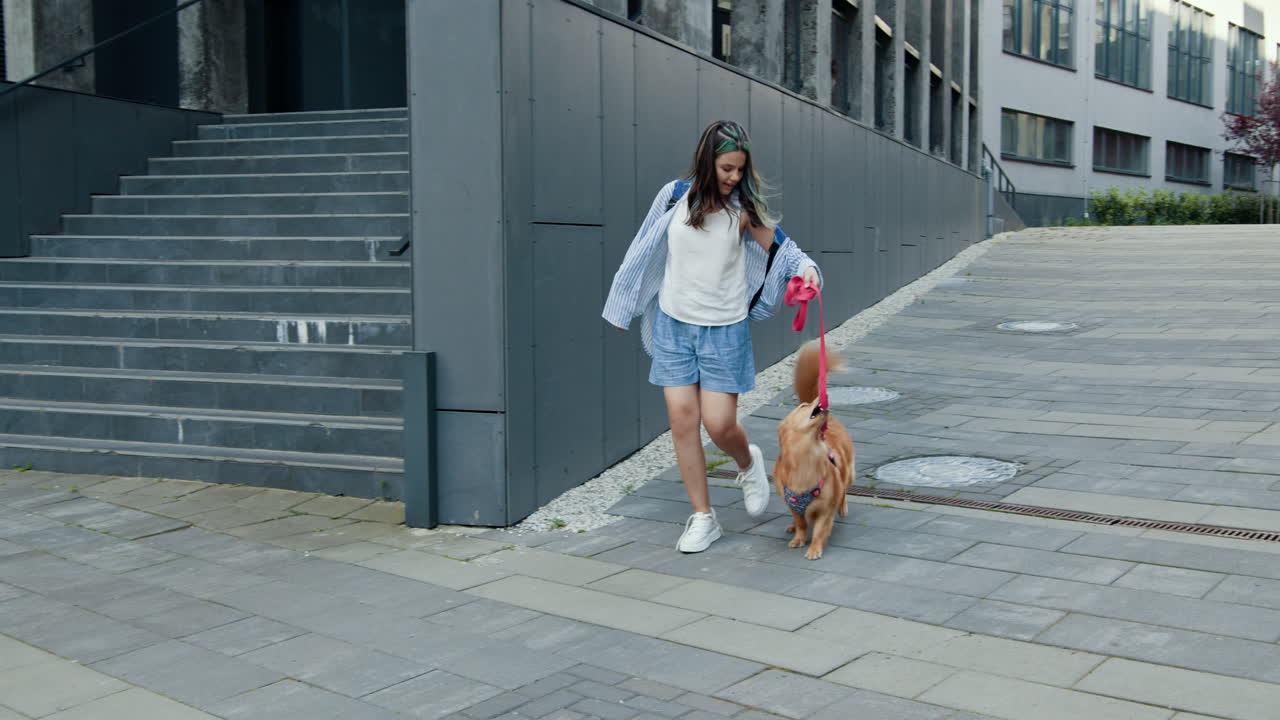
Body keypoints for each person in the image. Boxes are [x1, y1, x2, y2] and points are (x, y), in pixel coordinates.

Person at [602, 120, 822, 553]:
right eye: (726, 168)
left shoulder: (743, 209)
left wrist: (807, 270)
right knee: (683, 420)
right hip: (673, 324)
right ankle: (703, 516)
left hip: (724, 330)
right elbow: (644, 246)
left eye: (740, 170)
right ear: (707, 161)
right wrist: (624, 300)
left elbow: (784, 249)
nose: (734, 177)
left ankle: (747, 461)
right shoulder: (672, 196)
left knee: (719, 424)